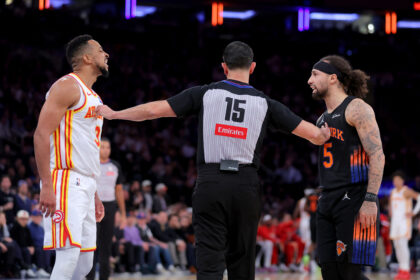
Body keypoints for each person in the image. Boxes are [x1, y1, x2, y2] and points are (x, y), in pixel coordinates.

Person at [95, 41, 330, 280]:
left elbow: (154, 110)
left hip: (211, 182)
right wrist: (325, 132)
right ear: (252, 68)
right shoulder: (266, 103)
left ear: (224, 67)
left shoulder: (204, 93)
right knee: (243, 260)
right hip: (246, 185)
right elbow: (313, 135)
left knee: (209, 261)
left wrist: (115, 114)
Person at [33, 34, 107, 280]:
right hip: (64, 180)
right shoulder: (67, 86)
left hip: (86, 182)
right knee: (68, 255)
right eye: (100, 50)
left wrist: (94, 190)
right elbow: (42, 134)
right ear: (86, 57)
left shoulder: (94, 97)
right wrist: (46, 183)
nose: (106, 54)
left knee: (85, 263)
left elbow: (87, 148)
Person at [308, 55, 385, 280]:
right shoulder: (321, 120)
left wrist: (371, 199)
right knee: (329, 272)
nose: (309, 81)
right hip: (327, 199)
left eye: (314, 74)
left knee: (349, 273)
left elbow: (377, 155)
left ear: (333, 78)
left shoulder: (356, 108)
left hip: (356, 198)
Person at [86, 137, 126, 280]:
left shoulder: (115, 166)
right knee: (91, 244)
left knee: (106, 245)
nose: (105, 150)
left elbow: (119, 190)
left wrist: (123, 213)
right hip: (92, 207)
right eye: (102, 147)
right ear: (97, 147)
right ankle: (89, 277)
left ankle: (104, 277)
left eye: (108, 147)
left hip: (110, 206)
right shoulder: (90, 163)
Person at [389, 171, 420, 280]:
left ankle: (406, 270)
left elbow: (419, 197)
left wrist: (414, 212)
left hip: (404, 223)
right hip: (395, 223)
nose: (396, 182)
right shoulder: (393, 192)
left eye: (398, 180)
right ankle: (401, 269)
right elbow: (392, 207)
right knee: (397, 247)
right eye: (394, 180)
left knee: (403, 246)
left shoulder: (406, 191)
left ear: (402, 181)